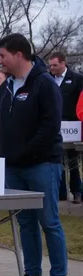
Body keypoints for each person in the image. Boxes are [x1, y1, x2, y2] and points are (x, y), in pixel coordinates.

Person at [0, 33, 69, 276]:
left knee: (49, 222)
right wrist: (2, 152)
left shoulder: (44, 84)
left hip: (42, 164)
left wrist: (27, 154)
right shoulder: (6, 88)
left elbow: (49, 126)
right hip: (14, 167)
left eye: (3, 55)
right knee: (25, 222)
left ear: (18, 54)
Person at [48, 52, 83, 204]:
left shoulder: (77, 79)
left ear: (64, 63)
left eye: (55, 65)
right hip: (54, 125)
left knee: (73, 161)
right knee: (57, 160)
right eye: (50, 65)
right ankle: (61, 193)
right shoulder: (48, 80)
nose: (52, 68)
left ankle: (76, 192)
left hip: (72, 126)